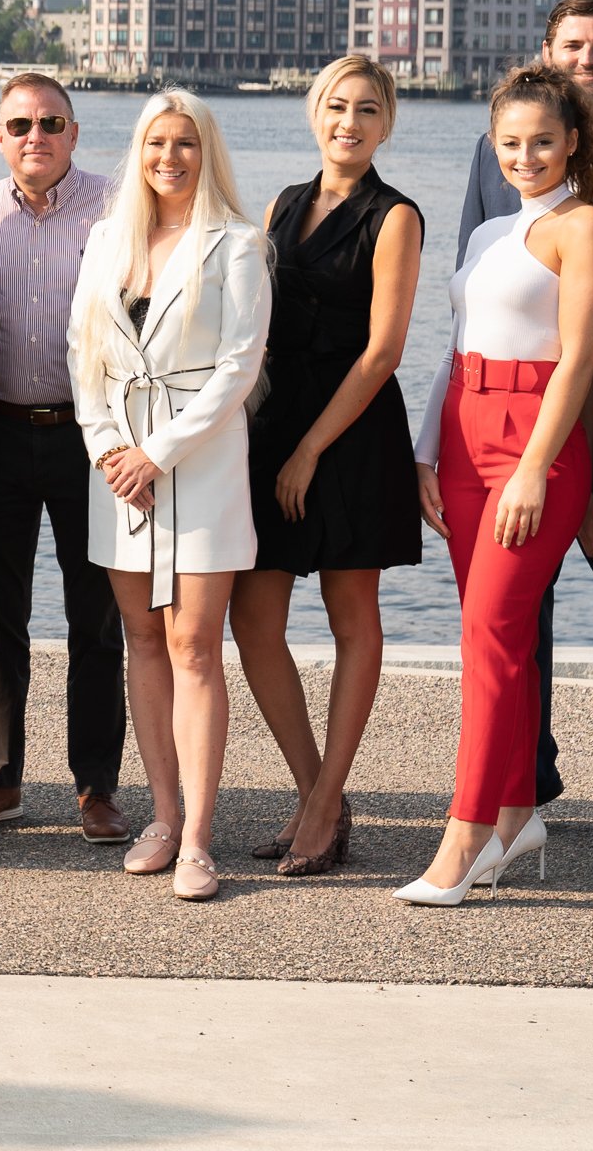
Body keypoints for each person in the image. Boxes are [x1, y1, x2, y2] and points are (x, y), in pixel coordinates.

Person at [397, 65, 593, 907]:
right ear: (494, 144)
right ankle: (518, 814)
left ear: (573, 142)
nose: (527, 156)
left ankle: (466, 836)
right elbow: (457, 347)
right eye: (512, 143)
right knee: (499, 639)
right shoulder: (489, 231)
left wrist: (532, 468)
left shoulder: (582, 226)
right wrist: (424, 452)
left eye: (544, 142)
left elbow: (580, 359)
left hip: (535, 443)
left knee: (489, 635)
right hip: (461, 436)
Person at [456, 0, 593, 839]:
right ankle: (521, 793)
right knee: (510, 623)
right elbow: (477, 283)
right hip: (500, 420)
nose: (588, 57)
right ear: (548, 51)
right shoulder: (496, 149)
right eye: (573, 43)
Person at [68, 89, 268, 904]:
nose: (170, 157)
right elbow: (83, 356)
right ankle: (161, 814)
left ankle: (197, 839)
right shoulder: (105, 239)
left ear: (205, 151)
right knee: (142, 640)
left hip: (203, 463)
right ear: (138, 151)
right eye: (157, 142)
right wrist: (109, 450)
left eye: (185, 142)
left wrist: (158, 453)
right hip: (118, 467)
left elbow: (239, 367)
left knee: (194, 645)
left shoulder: (238, 243)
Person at [230, 55, 421, 877]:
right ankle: (319, 796)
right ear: (315, 113)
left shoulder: (396, 216)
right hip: (274, 424)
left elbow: (383, 352)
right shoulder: (283, 203)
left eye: (367, 109)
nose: (350, 122)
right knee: (252, 619)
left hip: (352, 431)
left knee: (352, 617)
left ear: (386, 124)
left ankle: (322, 804)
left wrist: (311, 449)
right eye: (337, 106)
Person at [0, 73, 128, 844]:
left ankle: (97, 787)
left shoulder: (119, 209)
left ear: (74, 133)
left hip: (93, 435)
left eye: (52, 123)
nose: (36, 136)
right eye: (20, 125)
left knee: (98, 616)